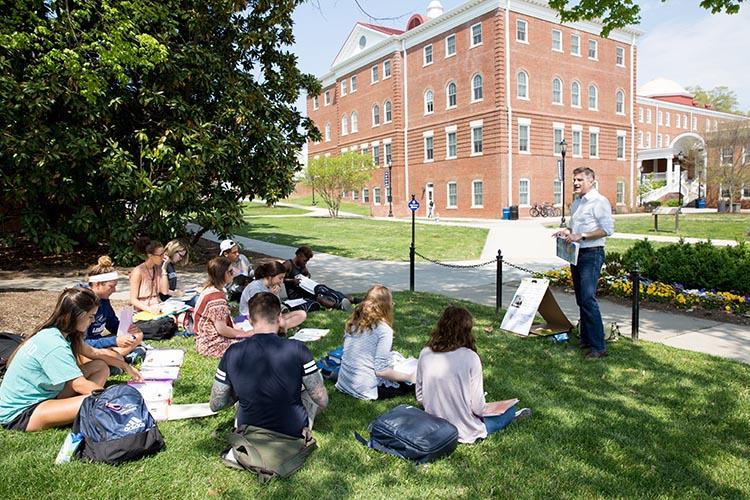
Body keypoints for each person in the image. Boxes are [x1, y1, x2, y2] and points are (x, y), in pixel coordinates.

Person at [0, 288, 142, 432]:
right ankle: (77, 409)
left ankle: (69, 408)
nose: (92, 321)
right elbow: (79, 385)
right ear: (77, 315)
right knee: (93, 401)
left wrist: (125, 366)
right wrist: (118, 399)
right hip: (23, 413)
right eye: (90, 317)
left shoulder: (62, 333)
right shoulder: (54, 344)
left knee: (100, 366)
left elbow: (95, 353)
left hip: (48, 394)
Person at [210, 292, 328, 437]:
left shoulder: (232, 352)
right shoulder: (298, 349)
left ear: (250, 320)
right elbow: (321, 399)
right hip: (292, 431)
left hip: (249, 430)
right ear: (279, 318)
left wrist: (239, 393)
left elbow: (216, 403)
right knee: (317, 380)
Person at [416, 305, 531, 444]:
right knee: (509, 411)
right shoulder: (471, 357)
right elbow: (478, 407)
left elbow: (420, 396)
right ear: (467, 331)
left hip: (433, 423)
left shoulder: (425, 352)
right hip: (463, 429)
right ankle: (512, 415)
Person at [552, 167, 615, 360]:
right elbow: (575, 227)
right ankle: (586, 340)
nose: (576, 183)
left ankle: (599, 347)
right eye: (574, 180)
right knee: (581, 298)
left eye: (580, 180)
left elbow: (607, 229)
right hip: (576, 253)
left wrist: (583, 235)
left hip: (592, 254)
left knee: (588, 298)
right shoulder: (577, 203)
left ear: (591, 181)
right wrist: (567, 231)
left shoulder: (599, 202)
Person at [335, 284, 414, 400]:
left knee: (393, 359)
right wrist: (410, 377)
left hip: (344, 382)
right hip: (364, 388)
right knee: (410, 383)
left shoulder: (353, 322)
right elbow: (381, 371)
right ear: (386, 306)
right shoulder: (384, 330)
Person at [84, 256, 144, 361]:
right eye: (111, 286)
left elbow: (111, 322)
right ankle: (119, 358)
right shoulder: (81, 303)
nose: (114, 290)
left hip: (98, 342)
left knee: (138, 335)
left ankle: (118, 357)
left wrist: (126, 330)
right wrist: (114, 341)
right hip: (85, 348)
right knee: (105, 354)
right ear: (97, 284)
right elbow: (81, 343)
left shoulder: (103, 300)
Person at [194, 257, 254, 358]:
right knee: (253, 345)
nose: (233, 273)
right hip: (211, 343)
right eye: (230, 271)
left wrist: (240, 331)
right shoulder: (216, 298)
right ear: (222, 274)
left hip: (207, 340)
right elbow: (222, 330)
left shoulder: (211, 289)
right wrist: (244, 334)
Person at [239, 261, 306, 331]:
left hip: (269, 317)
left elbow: (277, 309)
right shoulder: (255, 287)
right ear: (270, 277)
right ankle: (278, 328)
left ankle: (277, 328)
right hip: (251, 319)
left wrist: (275, 296)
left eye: (283, 278)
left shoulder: (272, 286)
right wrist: (271, 295)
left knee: (301, 314)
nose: (282, 281)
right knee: (280, 322)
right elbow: (261, 311)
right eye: (280, 278)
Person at [283, 246, 353, 312]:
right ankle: (339, 306)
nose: (305, 263)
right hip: (296, 295)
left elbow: (307, 273)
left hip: (306, 290)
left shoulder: (302, 265)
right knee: (320, 297)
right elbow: (277, 278)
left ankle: (352, 300)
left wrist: (307, 275)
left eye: (307, 261)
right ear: (299, 255)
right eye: (304, 260)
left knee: (324, 290)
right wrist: (292, 280)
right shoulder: (288, 264)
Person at [129, 237, 170, 313]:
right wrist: (149, 309)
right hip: (143, 310)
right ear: (150, 256)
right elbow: (133, 299)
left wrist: (164, 269)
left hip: (158, 305)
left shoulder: (157, 268)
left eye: (164, 253)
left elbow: (164, 291)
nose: (163, 257)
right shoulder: (138, 272)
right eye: (160, 255)